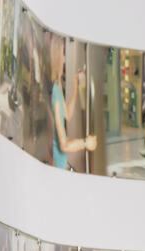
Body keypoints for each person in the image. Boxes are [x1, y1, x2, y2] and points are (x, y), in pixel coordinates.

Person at [49, 34, 97, 170]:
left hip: (62, 164)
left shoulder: (57, 87)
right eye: (63, 54)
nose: (64, 59)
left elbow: (67, 115)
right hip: (58, 167)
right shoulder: (54, 92)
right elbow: (64, 144)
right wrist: (85, 143)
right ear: (58, 56)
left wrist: (75, 85)